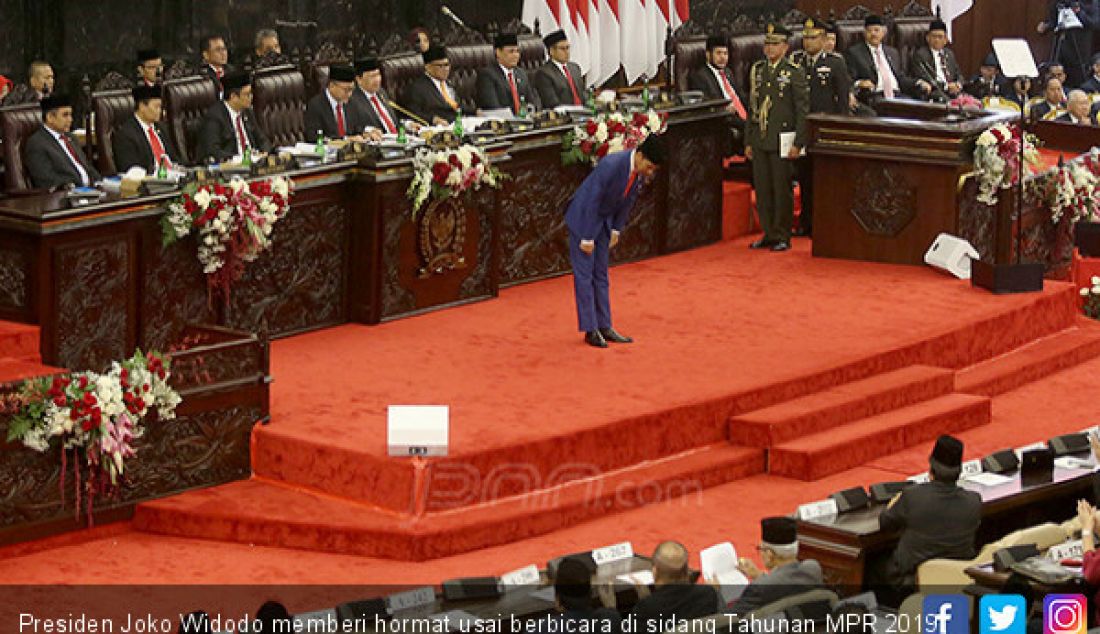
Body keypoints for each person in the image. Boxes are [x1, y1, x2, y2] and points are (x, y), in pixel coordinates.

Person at [565, 134, 665, 348]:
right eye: (649, 166)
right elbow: (592, 199)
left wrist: (617, 230)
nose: (650, 172)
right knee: (585, 276)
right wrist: (587, 237)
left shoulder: (636, 173)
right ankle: (590, 329)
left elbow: (627, 201)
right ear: (639, 155)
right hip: (584, 220)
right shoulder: (611, 164)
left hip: (604, 221)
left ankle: (605, 325)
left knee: (601, 274)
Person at [876, 435, 981, 600]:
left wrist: (894, 503)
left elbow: (885, 523)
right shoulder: (974, 501)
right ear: (959, 472)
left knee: (873, 566)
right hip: (956, 578)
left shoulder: (913, 496)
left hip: (910, 581)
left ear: (931, 469)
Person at [746, 23, 808, 253]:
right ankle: (769, 232)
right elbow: (753, 107)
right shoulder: (759, 70)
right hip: (761, 137)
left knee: (781, 188)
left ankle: (783, 234)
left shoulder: (793, 72)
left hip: (783, 138)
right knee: (763, 188)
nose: (770, 48)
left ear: (785, 46)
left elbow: (802, 110)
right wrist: (749, 141)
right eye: (767, 44)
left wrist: (799, 142)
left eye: (775, 44)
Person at [789, 18, 851, 237]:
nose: (808, 42)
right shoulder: (796, 61)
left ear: (824, 40)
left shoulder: (835, 63)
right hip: (801, 127)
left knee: (824, 180)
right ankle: (805, 222)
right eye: (805, 38)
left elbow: (842, 101)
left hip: (824, 129)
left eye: (813, 38)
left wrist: (841, 131)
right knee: (804, 177)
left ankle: (823, 223)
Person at [602, 541, 721, 629]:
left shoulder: (646, 609)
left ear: (655, 571)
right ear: (687, 570)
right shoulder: (708, 594)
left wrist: (610, 611)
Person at [729, 517, 824, 614]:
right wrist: (760, 576)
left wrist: (716, 592)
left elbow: (726, 622)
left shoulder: (758, 588)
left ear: (770, 554)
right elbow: (785, 583)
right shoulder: (813, 568)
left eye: (760, 549)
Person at [846, 15, 929, 105]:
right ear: (864, 33)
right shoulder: (855, 53)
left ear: (883, 32)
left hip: (897, 94)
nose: (873, 34)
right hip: (875, 95)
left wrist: (919, 82)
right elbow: (849, 79)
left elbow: (900, 77)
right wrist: (859, 83)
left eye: (876, 30)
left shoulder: (892, 52)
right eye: (869, 31)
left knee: (916, 108)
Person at [688, 35, 749, 156]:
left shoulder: (728, 72)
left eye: (725, 53)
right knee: (753, 128)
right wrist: (724, 108)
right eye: (719, 53)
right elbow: (705, 105)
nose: (723, 57)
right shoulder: (699, 76)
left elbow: (739, 96)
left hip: (741, 115)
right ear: (708, 54)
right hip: (724, 119)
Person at [25, 94, 101, 190]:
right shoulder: (37, 143)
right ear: (50, 117)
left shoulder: (71, 138)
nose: (70, 120)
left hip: (91, 191)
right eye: (65, 115)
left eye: (70, 115)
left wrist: (100, 182)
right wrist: (74, 187)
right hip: (66, 196)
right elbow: (47, 180)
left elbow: (88, 168)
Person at [195, 72, 271, 163]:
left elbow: (262, 140)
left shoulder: (247, 112)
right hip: (232, 167)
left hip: (254, 164)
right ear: (233, 97)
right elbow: (212, 151)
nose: (251, 97)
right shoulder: (214, 117)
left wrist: (265, 152)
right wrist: (240, 158)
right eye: (247, 94)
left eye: (251, 93)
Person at [529, 558, 620, 633]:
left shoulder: (539, 629)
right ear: (591, 594)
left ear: (558, 601)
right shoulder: (611, 620)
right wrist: (611, 608)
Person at [113, 84, 181, 173]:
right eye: (156, 107)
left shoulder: (161, 128)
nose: (160, 111)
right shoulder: (126, 135)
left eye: (160, 107)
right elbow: (131, 170)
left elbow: (174, 159)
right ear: (142, 107)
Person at [475, 33, 541, 115]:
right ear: (498, 52)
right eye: (511, 52)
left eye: (517, 51)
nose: (516, 55)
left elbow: (533, 100)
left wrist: (532, 109)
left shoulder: (521, 73)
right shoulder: (487, 75)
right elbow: (493, 108)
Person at [1039, 0, 1098, 89]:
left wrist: (1078, 12)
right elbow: (1054, 22)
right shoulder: (1059, 2)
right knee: (1056, 75)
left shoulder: (1091, 2)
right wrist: (1046, 26)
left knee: (1078, 80)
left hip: (1079, 49)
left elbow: (1094, 23)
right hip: (1060, 46)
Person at [402, 45, 464, 125]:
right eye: (440, 66)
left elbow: (456, 106)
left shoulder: (449, 83)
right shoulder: (417, 88)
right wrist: (433, 119)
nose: (445, 69)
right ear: (427, 67)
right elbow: (411, 114)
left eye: (447, 65)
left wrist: (476, 111)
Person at [350, 58, 410, 139]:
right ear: (359, 79)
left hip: (397, 140)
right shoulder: (352, 99)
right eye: (372, 76)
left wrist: (407, 124)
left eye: (378, 74)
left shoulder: (381, 92)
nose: (377, 80)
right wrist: (368, 130)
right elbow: (353, 127)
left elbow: (393, 122)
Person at [304, 65, 368, 140]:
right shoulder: (316, 105)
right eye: (346, 90)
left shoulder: (351, 103)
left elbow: (357, 128)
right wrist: (345, 140)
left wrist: (366, 133)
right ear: (332, 86)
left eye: (352, 90)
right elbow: (315, 137)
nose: (350, 94)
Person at [908, 19, 963, 102]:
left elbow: (959, 74)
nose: (937, 40)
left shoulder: (949, 54)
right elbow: (925, 78)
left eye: (940, 37)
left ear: (945, 40)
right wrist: (947, 86)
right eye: (934, 36)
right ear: (927, 38)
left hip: (953, 92)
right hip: (935, 93)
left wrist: (958, 85)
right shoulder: (920, 55)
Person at [534, 30, 588, 108]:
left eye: (568, 48)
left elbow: (583, 94)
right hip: (564, 117)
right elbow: (552, 103)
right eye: (562, 49)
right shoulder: (543, 74)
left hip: (584, 113)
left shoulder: (575, 68)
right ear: (551, 51)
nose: (567, 52)